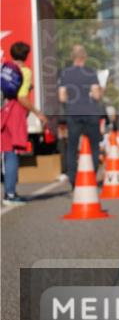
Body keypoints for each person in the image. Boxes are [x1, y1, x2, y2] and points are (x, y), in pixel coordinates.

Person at [2, 42, 48, 206]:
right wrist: (38, 113)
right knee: (13, 153)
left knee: (7, 151)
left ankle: (9, 192)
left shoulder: (5, 68)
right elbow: (21, 97)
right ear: (26, 56)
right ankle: (10, 194)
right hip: (15, 113)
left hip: (4, 110)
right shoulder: (25, 71)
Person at [58, 45, 104, 188]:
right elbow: (96, 95)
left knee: (72, 147)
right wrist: (100, 92)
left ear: (72, 57)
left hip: (73, 113)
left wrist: (70, 103)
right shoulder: (90, 72)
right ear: (85, 57)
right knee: (94, 146)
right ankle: (91, 176)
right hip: (90, 113)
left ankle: (73, 179)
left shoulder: (65, 73)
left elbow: (62, 97)